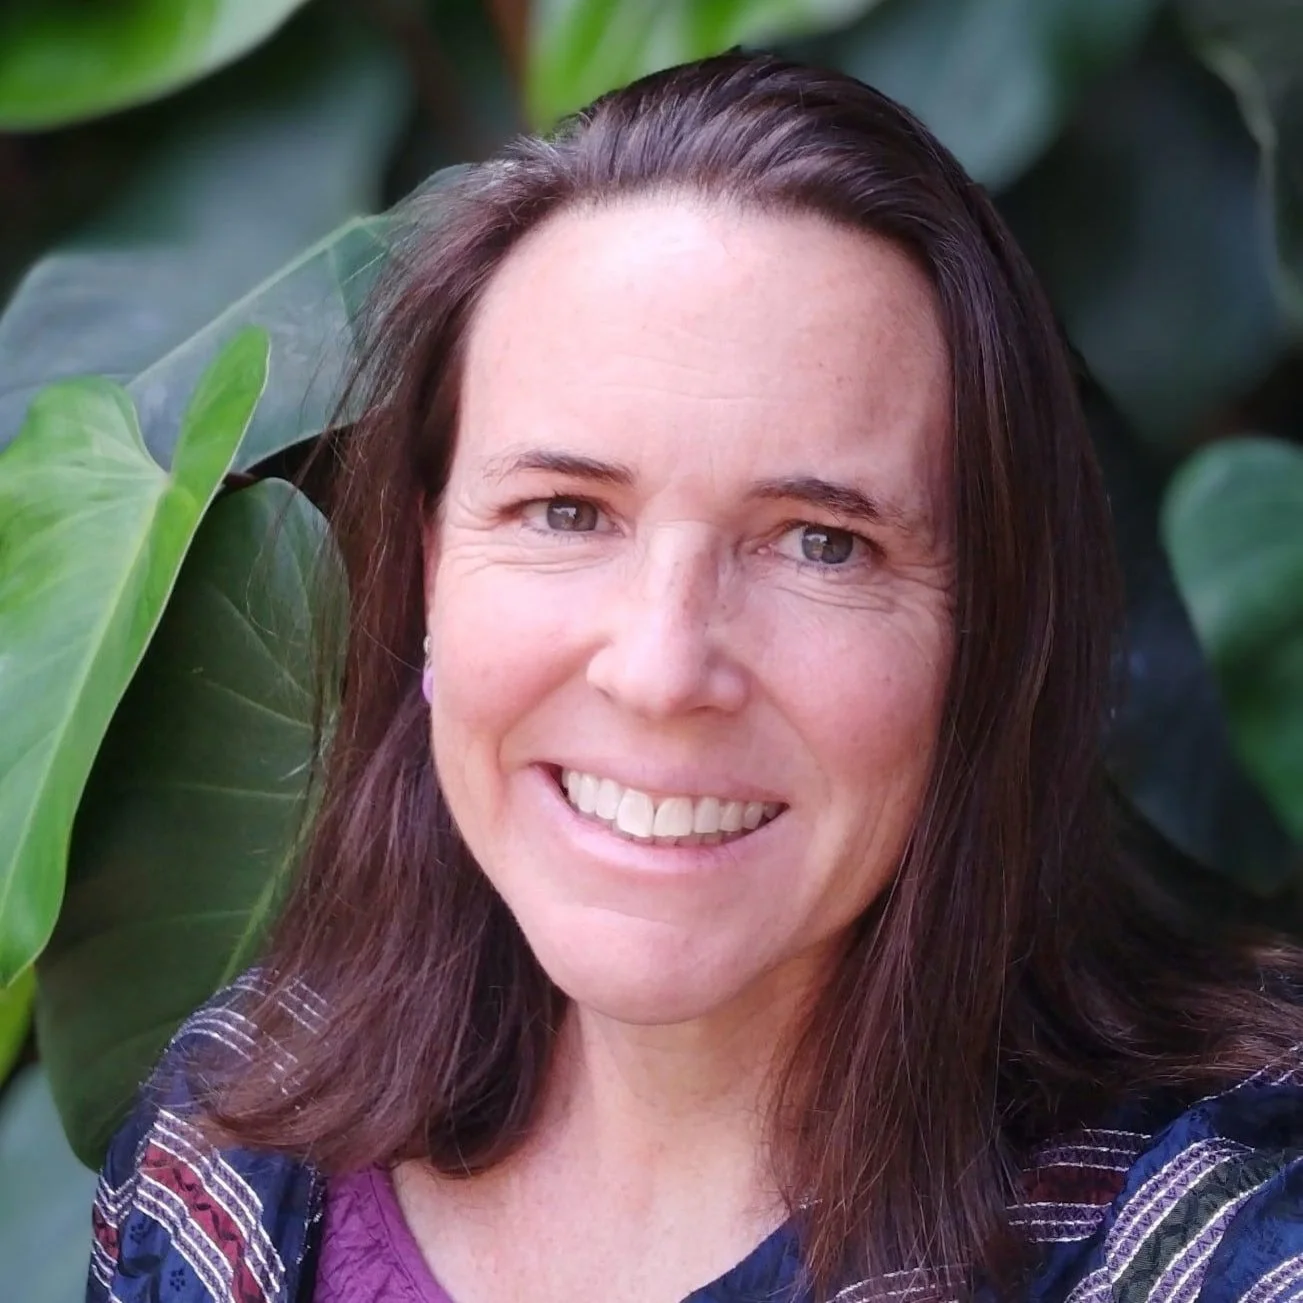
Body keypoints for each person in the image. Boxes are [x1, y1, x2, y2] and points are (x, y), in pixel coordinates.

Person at [86, 50, 1303, 1303]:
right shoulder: (224, 1147)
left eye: (822, 544)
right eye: (564, 511)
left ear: (991, 632)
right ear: (430, 562)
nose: (662, 669)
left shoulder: (1217, 1245)